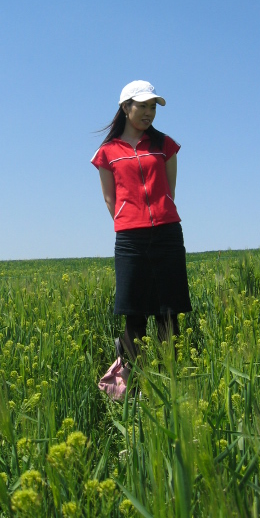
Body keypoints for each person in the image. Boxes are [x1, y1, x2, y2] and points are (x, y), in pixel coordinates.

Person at [91, 80, 192, 362]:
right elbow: (110, 199)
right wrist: (131, 220)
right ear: (126, 108)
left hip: (167, 234)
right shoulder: (106, 152)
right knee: (134, 314)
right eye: (143, 106)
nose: (149, 113)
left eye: (153, 107)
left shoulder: (165, 145)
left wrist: (158, 214)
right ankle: (133, 378)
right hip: (130, 239)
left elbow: (169, 189)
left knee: (168, 312)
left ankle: (171, 373)